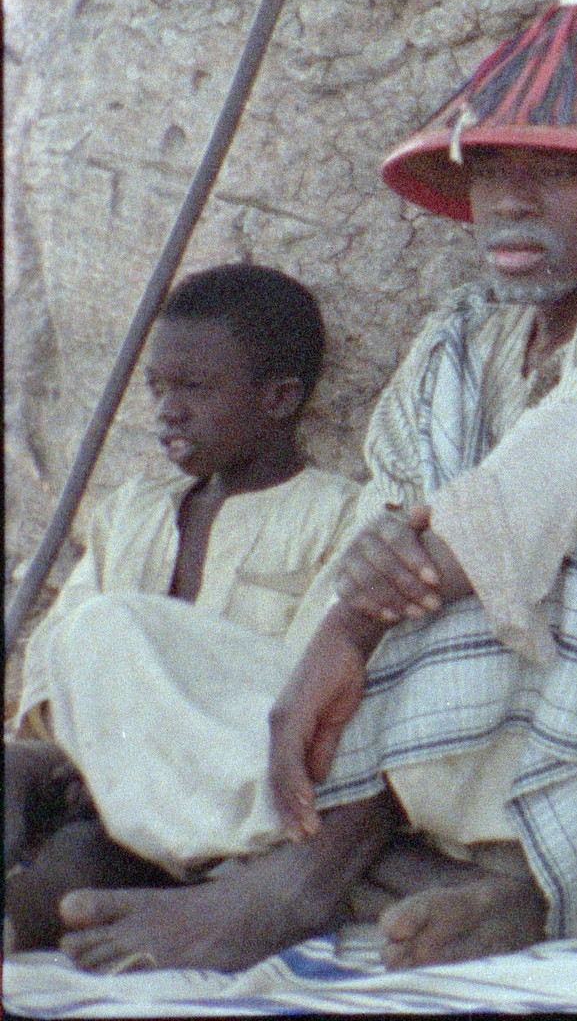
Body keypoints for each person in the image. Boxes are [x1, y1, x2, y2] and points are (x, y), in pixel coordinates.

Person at [49, 0, 577, 975]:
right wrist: (325, 653)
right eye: (491, 170)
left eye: (554, 174)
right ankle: (452, 880)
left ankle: (304, 878)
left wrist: (352, 629)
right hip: (453, 740)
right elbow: (376, 542)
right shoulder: (456, 345)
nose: (510, 202)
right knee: (104, 637)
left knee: (542, 545)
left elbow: (546, 488)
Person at [5, 264, 361, 958]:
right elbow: (58, 666)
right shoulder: (131, 511)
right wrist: (59, 757)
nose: (167, 410)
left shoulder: (339, 516)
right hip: (110, 795)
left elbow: (301, 695)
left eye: (194, 388)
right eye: (156, 388)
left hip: (259, 801)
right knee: (64, 844)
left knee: (106, 628)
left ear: (279, 398)